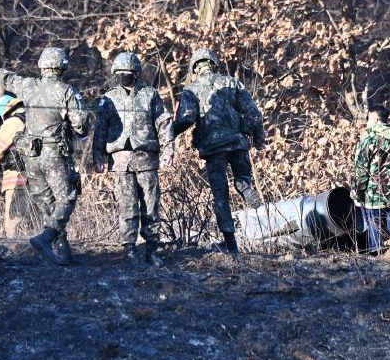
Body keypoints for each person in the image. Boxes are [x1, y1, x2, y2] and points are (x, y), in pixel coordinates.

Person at [0, 47, 91, 265]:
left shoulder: (29, 86)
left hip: (31, 156)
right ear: (62, 67)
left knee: (46, 201)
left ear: (42, 66)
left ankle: (61, 252)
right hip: (55, 154)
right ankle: (47, 238)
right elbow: (82, 126)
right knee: (66, 197)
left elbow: (10, 79)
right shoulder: (66, 91)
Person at [173, 48, 265, 254]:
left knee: (220, 195)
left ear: (195, 68)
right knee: (242, 180)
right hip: (238, 143)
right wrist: (259, 138)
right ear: (214, 64)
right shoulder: (232, 83)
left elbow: (187, 118)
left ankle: (231, 245)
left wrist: (168, 133)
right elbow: (254, 114)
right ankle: (253, 199)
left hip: (213, 149)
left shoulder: (191, 90)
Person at [93, 52, 174, 266]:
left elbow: (163, 123)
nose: (122, 76)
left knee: (151, 205)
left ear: (136, 74)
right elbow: (100, 129)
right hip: (120, 160)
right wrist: (98, 156)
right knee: (127, 206)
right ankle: (129, 250)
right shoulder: (108, 98)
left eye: (126, 73)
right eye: (119, 73)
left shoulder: (150, 95)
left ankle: (152, 250)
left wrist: (169, 151)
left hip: (147, 158)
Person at [350, 106, 390, 254]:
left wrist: (356, 195)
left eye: (369, 119)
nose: (367, 122)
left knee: (375, 232)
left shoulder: (369, 140)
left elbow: (361, 172)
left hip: (373, 197)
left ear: (375, 119)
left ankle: (378, 265)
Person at [0, 95, 32, 238]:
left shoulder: (13, 122)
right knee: (37, 221)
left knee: (14, 222)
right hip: (41, 178)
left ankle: (16, 252)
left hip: (18, 178)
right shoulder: (35, 117)